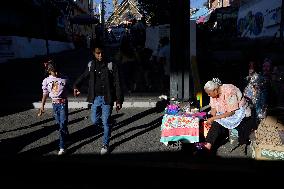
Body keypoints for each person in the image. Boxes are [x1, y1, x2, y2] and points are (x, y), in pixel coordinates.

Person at [73, 42, 124, 155]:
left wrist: (119, 100)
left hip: (108, 98)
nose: (100, 55)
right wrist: (76, 85)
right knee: (95, 120)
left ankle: (105, 144)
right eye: (98, 53)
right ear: (94, 53)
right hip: (95, 98)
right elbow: (84, 76)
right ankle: (108, 127)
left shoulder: (111, 65)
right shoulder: (91, 65)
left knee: (105, 121)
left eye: (102, 53)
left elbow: (118, 83)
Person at [199, 78, 252, 154]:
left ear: (215, 90)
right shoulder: (213, 94)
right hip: (225, 111)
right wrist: (211, 118)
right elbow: (213, 108)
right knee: (215, 121)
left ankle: (209, 145)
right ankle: (208, 144)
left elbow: (231, 112)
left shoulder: (229, 91)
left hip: (237, 111)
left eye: (209, 93)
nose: (208, 95)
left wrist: (214, 118)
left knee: (217, 120)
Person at [38, 59, 70, 155]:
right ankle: (66, 137)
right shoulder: (46, 81)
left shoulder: (64, 78)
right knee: (59, 124)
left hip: (63, 103)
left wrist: (75, 90)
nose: (56, 72)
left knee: (62, 124)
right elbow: (45, 94)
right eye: (54, 71)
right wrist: (42, 106)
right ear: (49, 71)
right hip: (54, 104)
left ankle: (62, 147)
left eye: (57, 70)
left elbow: (71, 87)